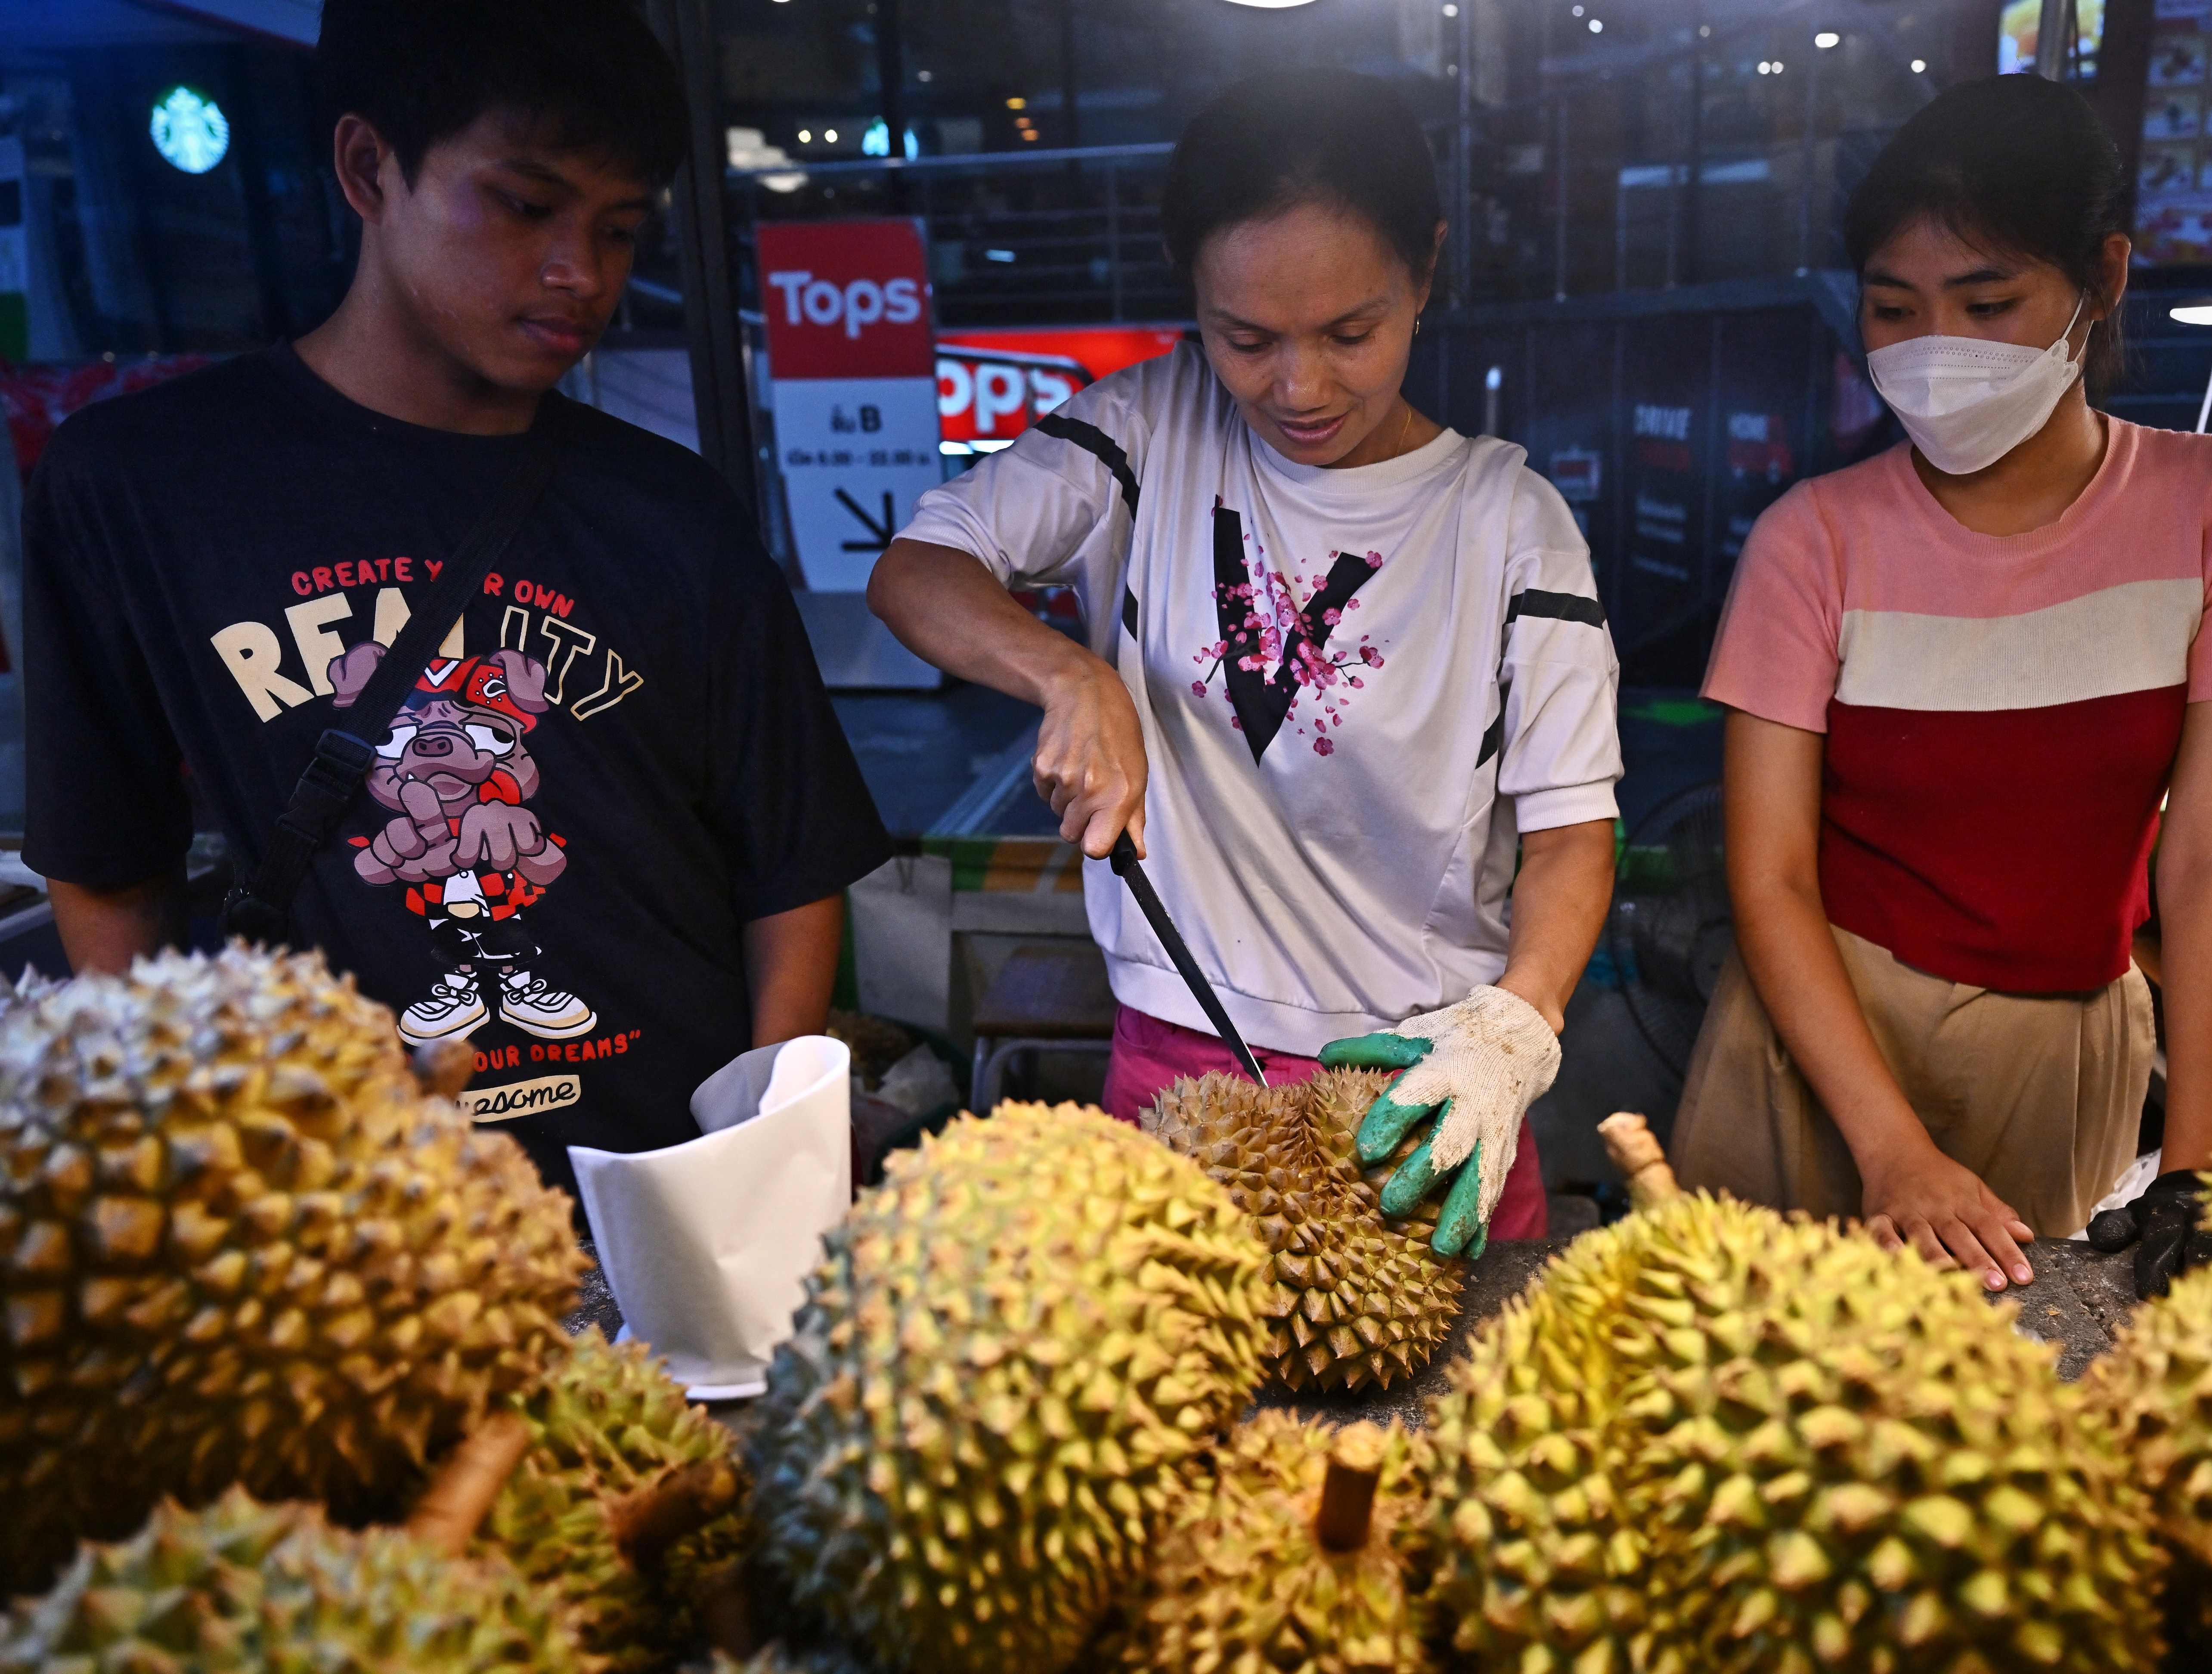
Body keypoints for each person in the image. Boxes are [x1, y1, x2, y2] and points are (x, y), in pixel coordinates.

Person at [21, 0, 890, 1193]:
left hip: (658, 1200)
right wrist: (166, 1167)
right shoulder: (140, 487)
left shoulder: (672, 510)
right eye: (525, 205)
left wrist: (765, 1157)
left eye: (622, 227)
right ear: (370, 168)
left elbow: (789, 864)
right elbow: (110, 865)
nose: (581, 273)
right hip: (343, 1218)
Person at [868, 70, 1622, 1256]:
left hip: (1426, 1082)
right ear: (1195, 299)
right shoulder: (1142, 434)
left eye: (1350, 334)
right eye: (1246, 337)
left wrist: (1515, 1028)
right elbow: (918, 566)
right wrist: (1070, 673)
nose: (1299, 387)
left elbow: (1574, 830)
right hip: (1180, 1062)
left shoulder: (1507, 521)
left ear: (1425, 272)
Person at [1673, 74, 2212, 1298]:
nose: (1940, 353)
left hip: (2064, 1050)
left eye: (1990, 302)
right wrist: (1892, 1149)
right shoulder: (1811, 542)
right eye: (1894, 308)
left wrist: (2202, 1166)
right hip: (1821, 1047)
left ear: (2107, 278)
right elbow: (1767, 874)